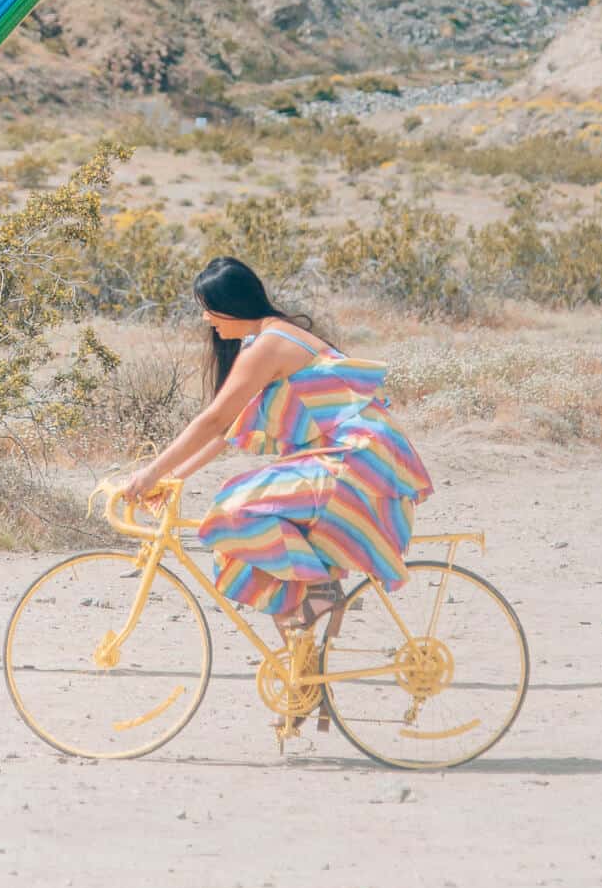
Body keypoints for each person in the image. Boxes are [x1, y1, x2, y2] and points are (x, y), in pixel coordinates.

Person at [123, 255, 433, 628]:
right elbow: (227, 431)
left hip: (355, 460)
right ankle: (302, 662)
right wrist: (173, 478)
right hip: (351, 458)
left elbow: (214, 420)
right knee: (254, 559)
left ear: (232, 305)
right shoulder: (269, 339)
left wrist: (150, 474)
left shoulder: (268, 346)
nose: (205, 319)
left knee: (235, 509)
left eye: (209, 308)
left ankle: (323, 591)